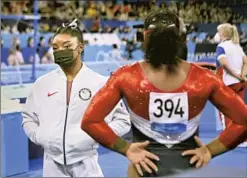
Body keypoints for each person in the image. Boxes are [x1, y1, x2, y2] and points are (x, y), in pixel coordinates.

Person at [81, 10, 247, 177]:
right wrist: (210, 151)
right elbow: (243, 121)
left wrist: (126, 148)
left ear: (145, 38)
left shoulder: (125, 77)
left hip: (143, 169)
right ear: (181, 39)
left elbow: (90, 121)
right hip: (189, 168)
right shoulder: (204, 79)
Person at [22, 19, 131, 177]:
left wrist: (94, 137)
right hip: (51, 165)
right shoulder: (42, 84)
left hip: (86, 163)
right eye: (55, 47)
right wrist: (41, 136)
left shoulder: (100, 83)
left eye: (66, 46)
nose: (60, 51)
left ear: (80, 47)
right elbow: (28, 117)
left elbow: (122, 120)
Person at [214, 23, 247, 147]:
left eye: (218, 32)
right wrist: (242, 75)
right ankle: (243, 139)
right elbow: (245, 61)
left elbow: (223, 63)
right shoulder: (237, 46)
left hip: (228, 83)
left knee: (225, 111)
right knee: (240, 110)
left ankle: (230, 139)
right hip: (241, 83)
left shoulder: (221, 46)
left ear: (222, 34)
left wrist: (235, 74)